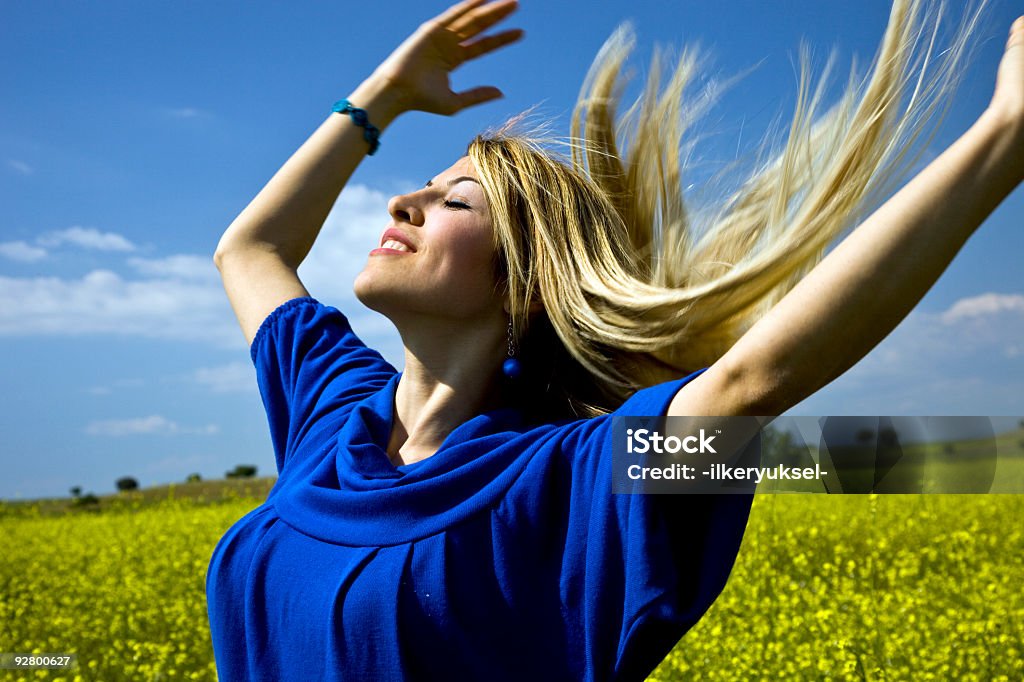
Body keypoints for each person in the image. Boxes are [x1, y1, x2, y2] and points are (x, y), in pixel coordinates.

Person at [206, 0, 1023, 679]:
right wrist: (385, 94)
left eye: (456, 201)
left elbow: (752, 381)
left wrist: (1005, 134)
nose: (402, 203)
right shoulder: (328, 414)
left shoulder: (569, 479)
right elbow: (251, 249)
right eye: (420, 185)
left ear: (520, 281)